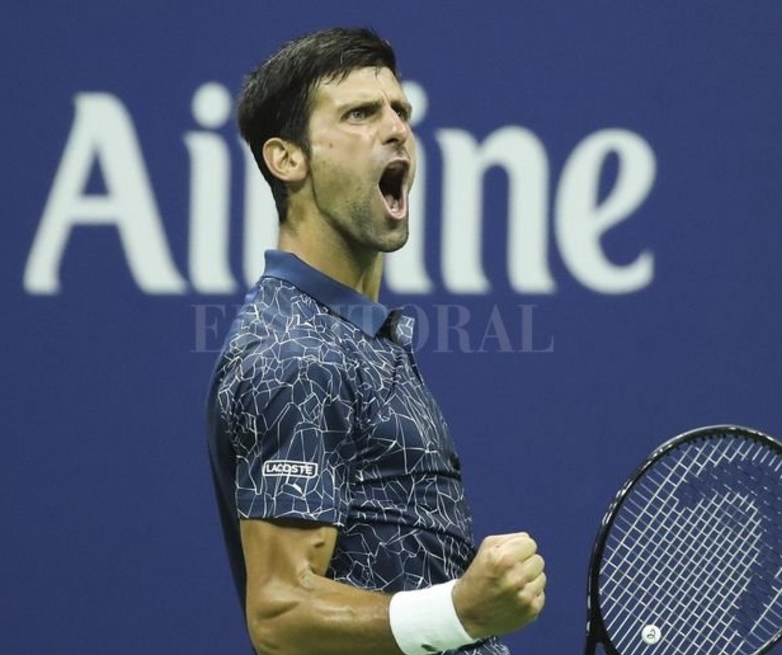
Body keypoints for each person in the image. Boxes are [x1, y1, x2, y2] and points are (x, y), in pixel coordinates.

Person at [206, 27, 545, 655]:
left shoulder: (358, 339)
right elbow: (280, 614)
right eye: (361, 113)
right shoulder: (295, 354)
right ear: (288, 159)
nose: (396, 130)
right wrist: (461, 610)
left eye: (401, 111)